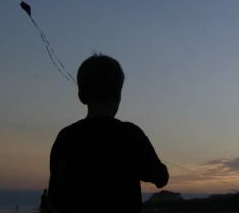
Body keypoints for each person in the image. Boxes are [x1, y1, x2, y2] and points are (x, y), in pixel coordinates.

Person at [48, 54, 169, 213]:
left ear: (81, 96)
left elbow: (54, 198)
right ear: (118, 95)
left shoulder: (65, 138)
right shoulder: (131, 135)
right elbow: (160, 178)